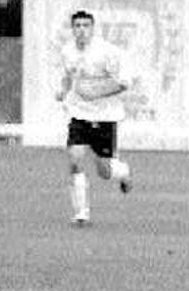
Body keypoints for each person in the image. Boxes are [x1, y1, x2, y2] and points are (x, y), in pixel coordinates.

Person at [56, 10, 132, 226]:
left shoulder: (106, 53)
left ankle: (123, 173)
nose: (81, 30)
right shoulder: (67, 52)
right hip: (79, 115)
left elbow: (123, 83)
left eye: (85, 26)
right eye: (77, 26)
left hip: (105, 117)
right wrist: (63, 91)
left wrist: (95, 94)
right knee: (75, 159)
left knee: (104, 170)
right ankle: (81, 213)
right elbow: (67, 76)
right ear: (72, 29)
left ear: (92, 28)